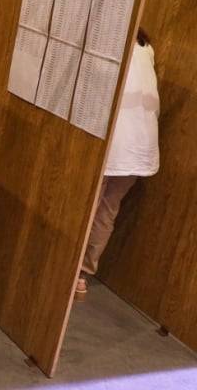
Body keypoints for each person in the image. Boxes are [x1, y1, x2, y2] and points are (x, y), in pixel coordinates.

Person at [77, 28, 160, 298]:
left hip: (115, 143)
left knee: (85, 207)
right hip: (141, 148)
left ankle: (66, 269)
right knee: (106, 210)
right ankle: (82, 275)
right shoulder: (146, 47)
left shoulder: (108, 43)